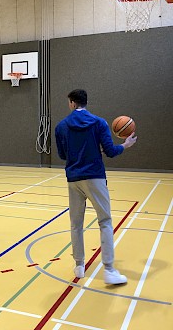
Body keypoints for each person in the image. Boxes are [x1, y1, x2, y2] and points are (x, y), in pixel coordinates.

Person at [55, 89, 137, 285]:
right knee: (105, 221)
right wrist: (125, 145)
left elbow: (62, 155)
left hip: (73, 179)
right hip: (95, 177)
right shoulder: (99, 123)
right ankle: (109, 269)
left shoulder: (61, 126)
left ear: (72, 103)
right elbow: (110, 151)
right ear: (86, 102)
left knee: (76, 224)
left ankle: (79, 265)